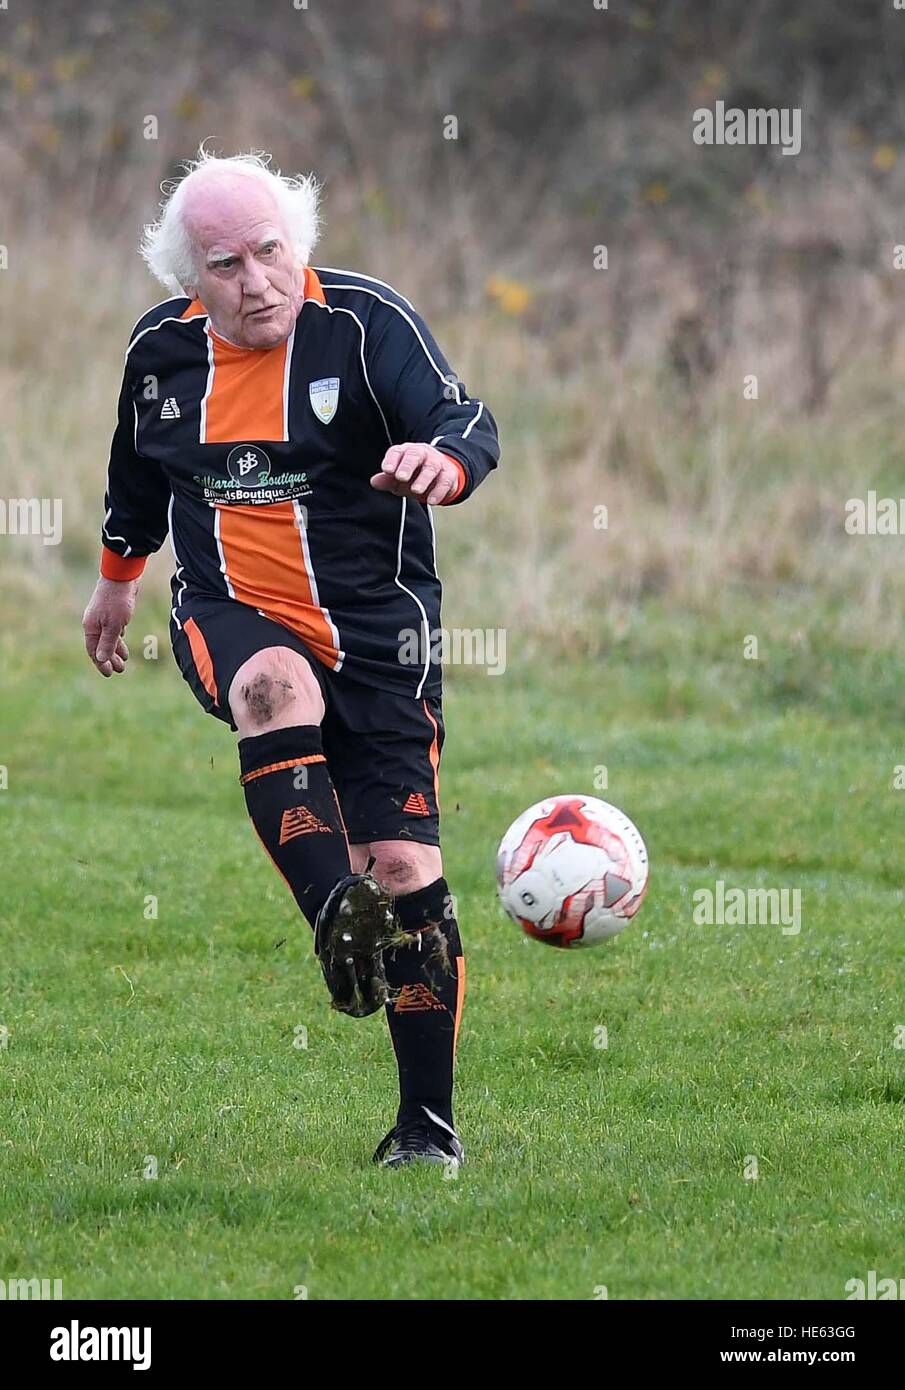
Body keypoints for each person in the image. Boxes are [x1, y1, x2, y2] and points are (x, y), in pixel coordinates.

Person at [82, 151, 500, 1169]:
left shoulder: (364, 323)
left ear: (295, 243)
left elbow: (465, 421)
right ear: (190, 276)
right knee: (274, 685)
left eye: (269, 251)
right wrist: (116, 579)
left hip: (380, 636)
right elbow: (136, 477)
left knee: (404, 871)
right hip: (227, 610)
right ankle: (329, 910)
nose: (255, 279)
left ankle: (425, 1131)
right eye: (225, 264)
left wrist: (438, 461)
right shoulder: (162, 355)